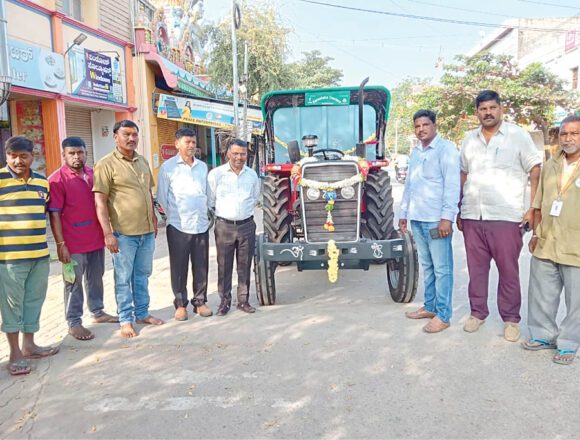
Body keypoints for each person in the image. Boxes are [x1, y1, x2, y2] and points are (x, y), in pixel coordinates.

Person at [458, 90, 542, 342]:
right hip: (473, 215)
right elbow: (463, 173)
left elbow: (534, 169)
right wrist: (459, 206)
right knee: (476, 270)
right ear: (477, 112)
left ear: (500, 109)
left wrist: (533, 207)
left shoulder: (518, 135)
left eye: (492, 108)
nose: (488, 113)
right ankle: (478, 313)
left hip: (506, 217)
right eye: (483, 109)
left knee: (508, 271)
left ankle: (511, 319)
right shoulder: (468, 139)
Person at [93, 120, 164, 338]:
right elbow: (100, 202)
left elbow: (148, 195)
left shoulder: (142, 161)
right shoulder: (106, 164)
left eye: (134, 134)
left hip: (145, 232)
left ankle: (142, 313)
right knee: (123, 278)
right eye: (126, 134)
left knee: (142, 275)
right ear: (115, 137)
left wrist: (153, 219)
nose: (131, 138)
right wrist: (107, 233)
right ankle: (125, 318)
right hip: (123, 235)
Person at [522, 115, 580, 365]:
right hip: (547, 239)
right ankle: (544, 335)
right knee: (541, 293)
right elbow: (538, 203)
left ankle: (569, 343)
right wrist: (535, 233)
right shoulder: (551, 165)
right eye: (564, 134)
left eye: (574, 133)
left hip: (575, 243)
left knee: (576, 300)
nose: (568, 138)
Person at [48, 137, 118, 341]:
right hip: (72, 244)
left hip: (96, 239)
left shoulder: (93, 174)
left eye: (80, 152)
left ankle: (97, 311)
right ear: (64, 155)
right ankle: (74, 322)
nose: (77, 157)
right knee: (73, 282)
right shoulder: (57, 180)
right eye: (72, 153)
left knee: (95, 278)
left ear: (86, 153)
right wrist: (61, 245)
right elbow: (54, 215)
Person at [0, 136, 59, 376]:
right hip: (10, 259)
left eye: (23, 156)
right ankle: (14, 353)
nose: (18, 161)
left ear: (31, 157)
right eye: (13, 156)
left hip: (39, 256)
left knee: (33, 301)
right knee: (12, 306)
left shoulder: (42, 182)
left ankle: (30, 344)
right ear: (6, 157)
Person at [400, 110, 460, 333]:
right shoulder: (415, 152)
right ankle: (430, 306)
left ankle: (443, 315)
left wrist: (447, 218)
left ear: (435, 125)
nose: (421, 129)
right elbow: (409, 185)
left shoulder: (446, 150)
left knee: (442, 269)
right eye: (417, 126)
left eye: (425, 124)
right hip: (417, 218)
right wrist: (404, 214)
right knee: (427, 266)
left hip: (436, 221)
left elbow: (453, 185)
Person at [157, 128, 211, 321]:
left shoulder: (202, 167)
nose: (191, 146)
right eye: (187, 142)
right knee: (179, 267)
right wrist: (170, 219)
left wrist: (208, 213)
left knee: (201, 265)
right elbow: (162, 198)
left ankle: (200, 302)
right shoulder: (168, 168)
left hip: (201, 225)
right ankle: (180, 304)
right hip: (178, 226)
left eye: (194, 142)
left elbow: (208, 194)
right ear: (177, 143)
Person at [208, 138, 260, 316]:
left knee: (244, 265)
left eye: (243, 154)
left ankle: (243, 301)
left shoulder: (252, 175)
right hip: (224, 226)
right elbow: (211, 200)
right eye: (235, 153)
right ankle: (224, 302)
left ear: (247, 154)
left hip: (247, 225)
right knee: (224, 265)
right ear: (228, 153)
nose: (239, 157)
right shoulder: (216, 174)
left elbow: (254, 198)